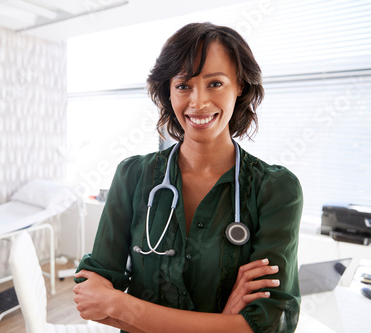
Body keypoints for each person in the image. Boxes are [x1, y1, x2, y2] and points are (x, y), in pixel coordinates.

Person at [73, 22, 303, 333]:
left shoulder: (275, 189)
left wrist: (121, 304)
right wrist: (225, 324)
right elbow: (90, 299)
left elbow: (271, 324)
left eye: (215, 84)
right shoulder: (133, 176)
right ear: (168, 92)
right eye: (183, 85)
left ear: (241, 87)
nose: (198, 102)